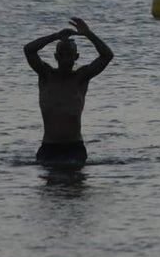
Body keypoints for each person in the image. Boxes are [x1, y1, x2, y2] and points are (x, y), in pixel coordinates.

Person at [24, 17, 113, 168]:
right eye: (62, 54)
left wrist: (88, 34)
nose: (65, 58)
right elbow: (29, 50)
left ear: (76, 57)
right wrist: (55, 36)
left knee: (74, 188)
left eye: (69, 54)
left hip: (74, 148)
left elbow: (107, 55)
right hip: (49, 147)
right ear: (56, 57)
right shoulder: (46, 75)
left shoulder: (81, 78)